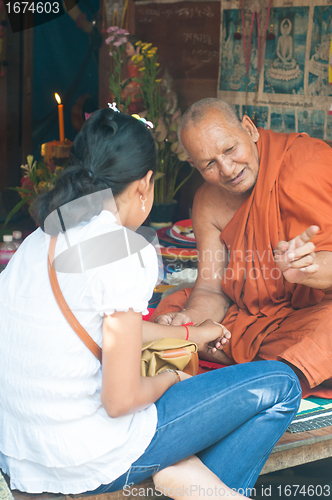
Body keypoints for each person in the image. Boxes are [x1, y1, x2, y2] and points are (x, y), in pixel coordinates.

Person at [0, 108, 301, 498]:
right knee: (280, 383)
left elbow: (104, 328)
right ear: (145, 184)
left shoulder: (38, 240)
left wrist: (191, 333)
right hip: (86, 460)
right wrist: (173, 379)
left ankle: (187, 472)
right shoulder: (124, 250)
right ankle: (189, 476)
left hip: (21, 457)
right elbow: (121, 400)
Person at [152, 97, 332, 394]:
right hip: (258, 316)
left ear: (249, 129)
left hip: (317, 309)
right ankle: (281, 366)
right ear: (193, 165)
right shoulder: (208, 202)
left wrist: (309, 270)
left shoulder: (309, 162)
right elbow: (211, 288)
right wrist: (190, 320)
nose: (226, 168)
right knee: (173, 308)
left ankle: (246, 362)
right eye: (209, 164)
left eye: (230, 149)